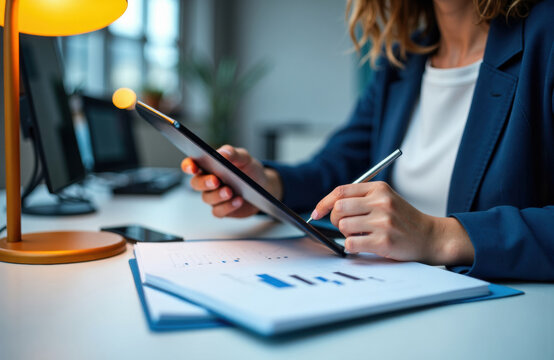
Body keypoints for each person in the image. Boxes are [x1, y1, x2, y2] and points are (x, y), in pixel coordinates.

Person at [181, 0, 554, 281]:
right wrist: (265, 184)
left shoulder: (546, 36)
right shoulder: (402, 60)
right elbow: (339, 166)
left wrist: (437, 235)